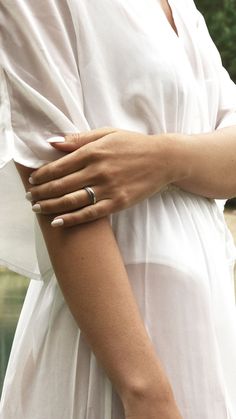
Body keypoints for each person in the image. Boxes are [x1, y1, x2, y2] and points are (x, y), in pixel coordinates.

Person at [0, 0, 236, 418]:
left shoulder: (182, 7)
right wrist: (146, 394)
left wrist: (163, 159)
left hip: (209, 323)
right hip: (117, 351)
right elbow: (59, 197)